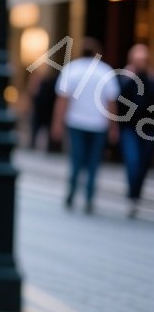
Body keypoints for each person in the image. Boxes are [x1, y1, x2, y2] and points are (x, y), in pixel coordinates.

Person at [52, 37, 122, 214]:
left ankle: (72, 192)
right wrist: (113, 127)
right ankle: (89, 198)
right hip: (98, 125)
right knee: (93, 163)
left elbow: (62, 101)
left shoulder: (72, 70)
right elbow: (111, 103)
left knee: (76, 159)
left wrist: (57, 125)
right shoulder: (105, 71)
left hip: (75, 122)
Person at [116, 43, 151, 216]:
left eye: (143, 60)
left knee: (143, 163)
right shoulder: (126, 79)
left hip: (148, 128)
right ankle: (132, 196)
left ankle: (135, 196)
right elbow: (116, 101)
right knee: (133, 161)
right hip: (129, 127)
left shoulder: (150, 80)